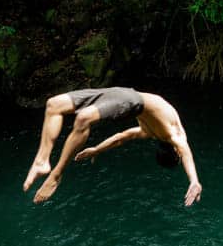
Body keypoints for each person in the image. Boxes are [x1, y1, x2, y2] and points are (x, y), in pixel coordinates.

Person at [23, 87, 202, 206]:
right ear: (175, 153)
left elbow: (120, 138)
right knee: (55, 105)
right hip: (128, 97)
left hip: (124, 94)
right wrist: (193, 180)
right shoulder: (174, 135)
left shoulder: (151, 132)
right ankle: (45, 163)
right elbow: (186, 153)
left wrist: (97, 149)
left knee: (70, 112)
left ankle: (53, 170)